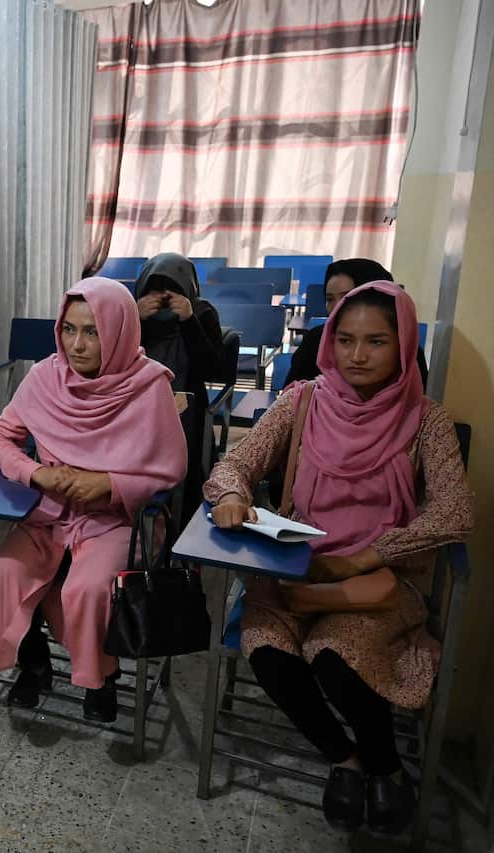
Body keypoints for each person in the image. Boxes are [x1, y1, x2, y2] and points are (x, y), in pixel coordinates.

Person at [205, 282, 473, 835]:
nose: (356, 355)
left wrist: (364, 558)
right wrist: (232, 495)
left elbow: (454, 514)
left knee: (335, 659)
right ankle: (345, 759)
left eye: (375, 341)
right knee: (271, 655)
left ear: (402, 346)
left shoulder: (428, 421)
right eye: (345, 339)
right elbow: (238, 463)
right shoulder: (301, 399)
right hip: (293, 566)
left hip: (376, 579)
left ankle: (384, 766)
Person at [0, 277, 186, 721]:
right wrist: (35, 472)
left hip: (114, 520)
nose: (76, 344)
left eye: (92, 331)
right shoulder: (45, 376)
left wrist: (109, 483)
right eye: (69, 329)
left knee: (89, 586)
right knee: (2, 572)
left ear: (119, 331)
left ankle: (101, 677)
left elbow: (170, 471)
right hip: (50, 516)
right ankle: (34, 667)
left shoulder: (147, 387)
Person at [134, 253, 225, 525]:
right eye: (155, 288)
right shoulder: (131, 312)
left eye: (172, 289)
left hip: (188, 405)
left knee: (186, 470)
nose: (163, 296)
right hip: (136, 404)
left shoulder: (202, 313)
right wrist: (136, 319)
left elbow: (212, 369)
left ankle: (180, 527)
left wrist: (188, 321)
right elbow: (116, 360)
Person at [281, 259, 428, 388]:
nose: (337, 306)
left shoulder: (406, 349)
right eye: (330, 299)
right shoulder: (315, 341)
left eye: (347, 297)